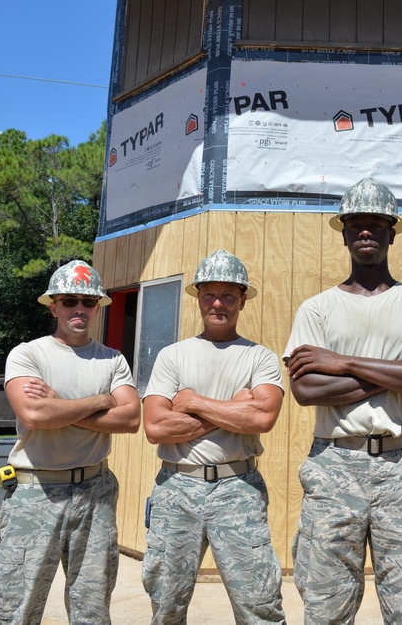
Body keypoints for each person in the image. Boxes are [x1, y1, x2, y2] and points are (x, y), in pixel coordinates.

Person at [283, 177, 402, 624]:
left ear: (391, 232)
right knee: (325, 607)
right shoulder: (316, 309)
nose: (365, 232)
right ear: (342, 233)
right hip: (333, 464)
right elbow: (305, 391)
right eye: (356, 224)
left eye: (376, 224)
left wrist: (338, 362)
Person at [0, 260, 141, 625]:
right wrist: (101, 400)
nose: (79, 309)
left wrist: (58, 402)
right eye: (70, 300)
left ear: (97, 308)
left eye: (88, 302)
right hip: (35, 493)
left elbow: (132, 419)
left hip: (95, 492)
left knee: (92, 607)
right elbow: (34, 415)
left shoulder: (112, 359)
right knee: (17, 607)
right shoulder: (29, 354)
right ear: (53, 305)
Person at [141, 250, 285, 624]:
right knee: (166, 602)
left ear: (242, 300)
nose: (218, 303)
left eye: (228, 296)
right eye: (209, 295)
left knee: (259, 602)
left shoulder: (260, 358)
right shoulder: (173, 357)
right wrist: (233, 409)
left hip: (238, 487)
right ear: (198, 298)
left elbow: (264, 416)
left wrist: (191, 403)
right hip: (177, 487)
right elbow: (156, 427)